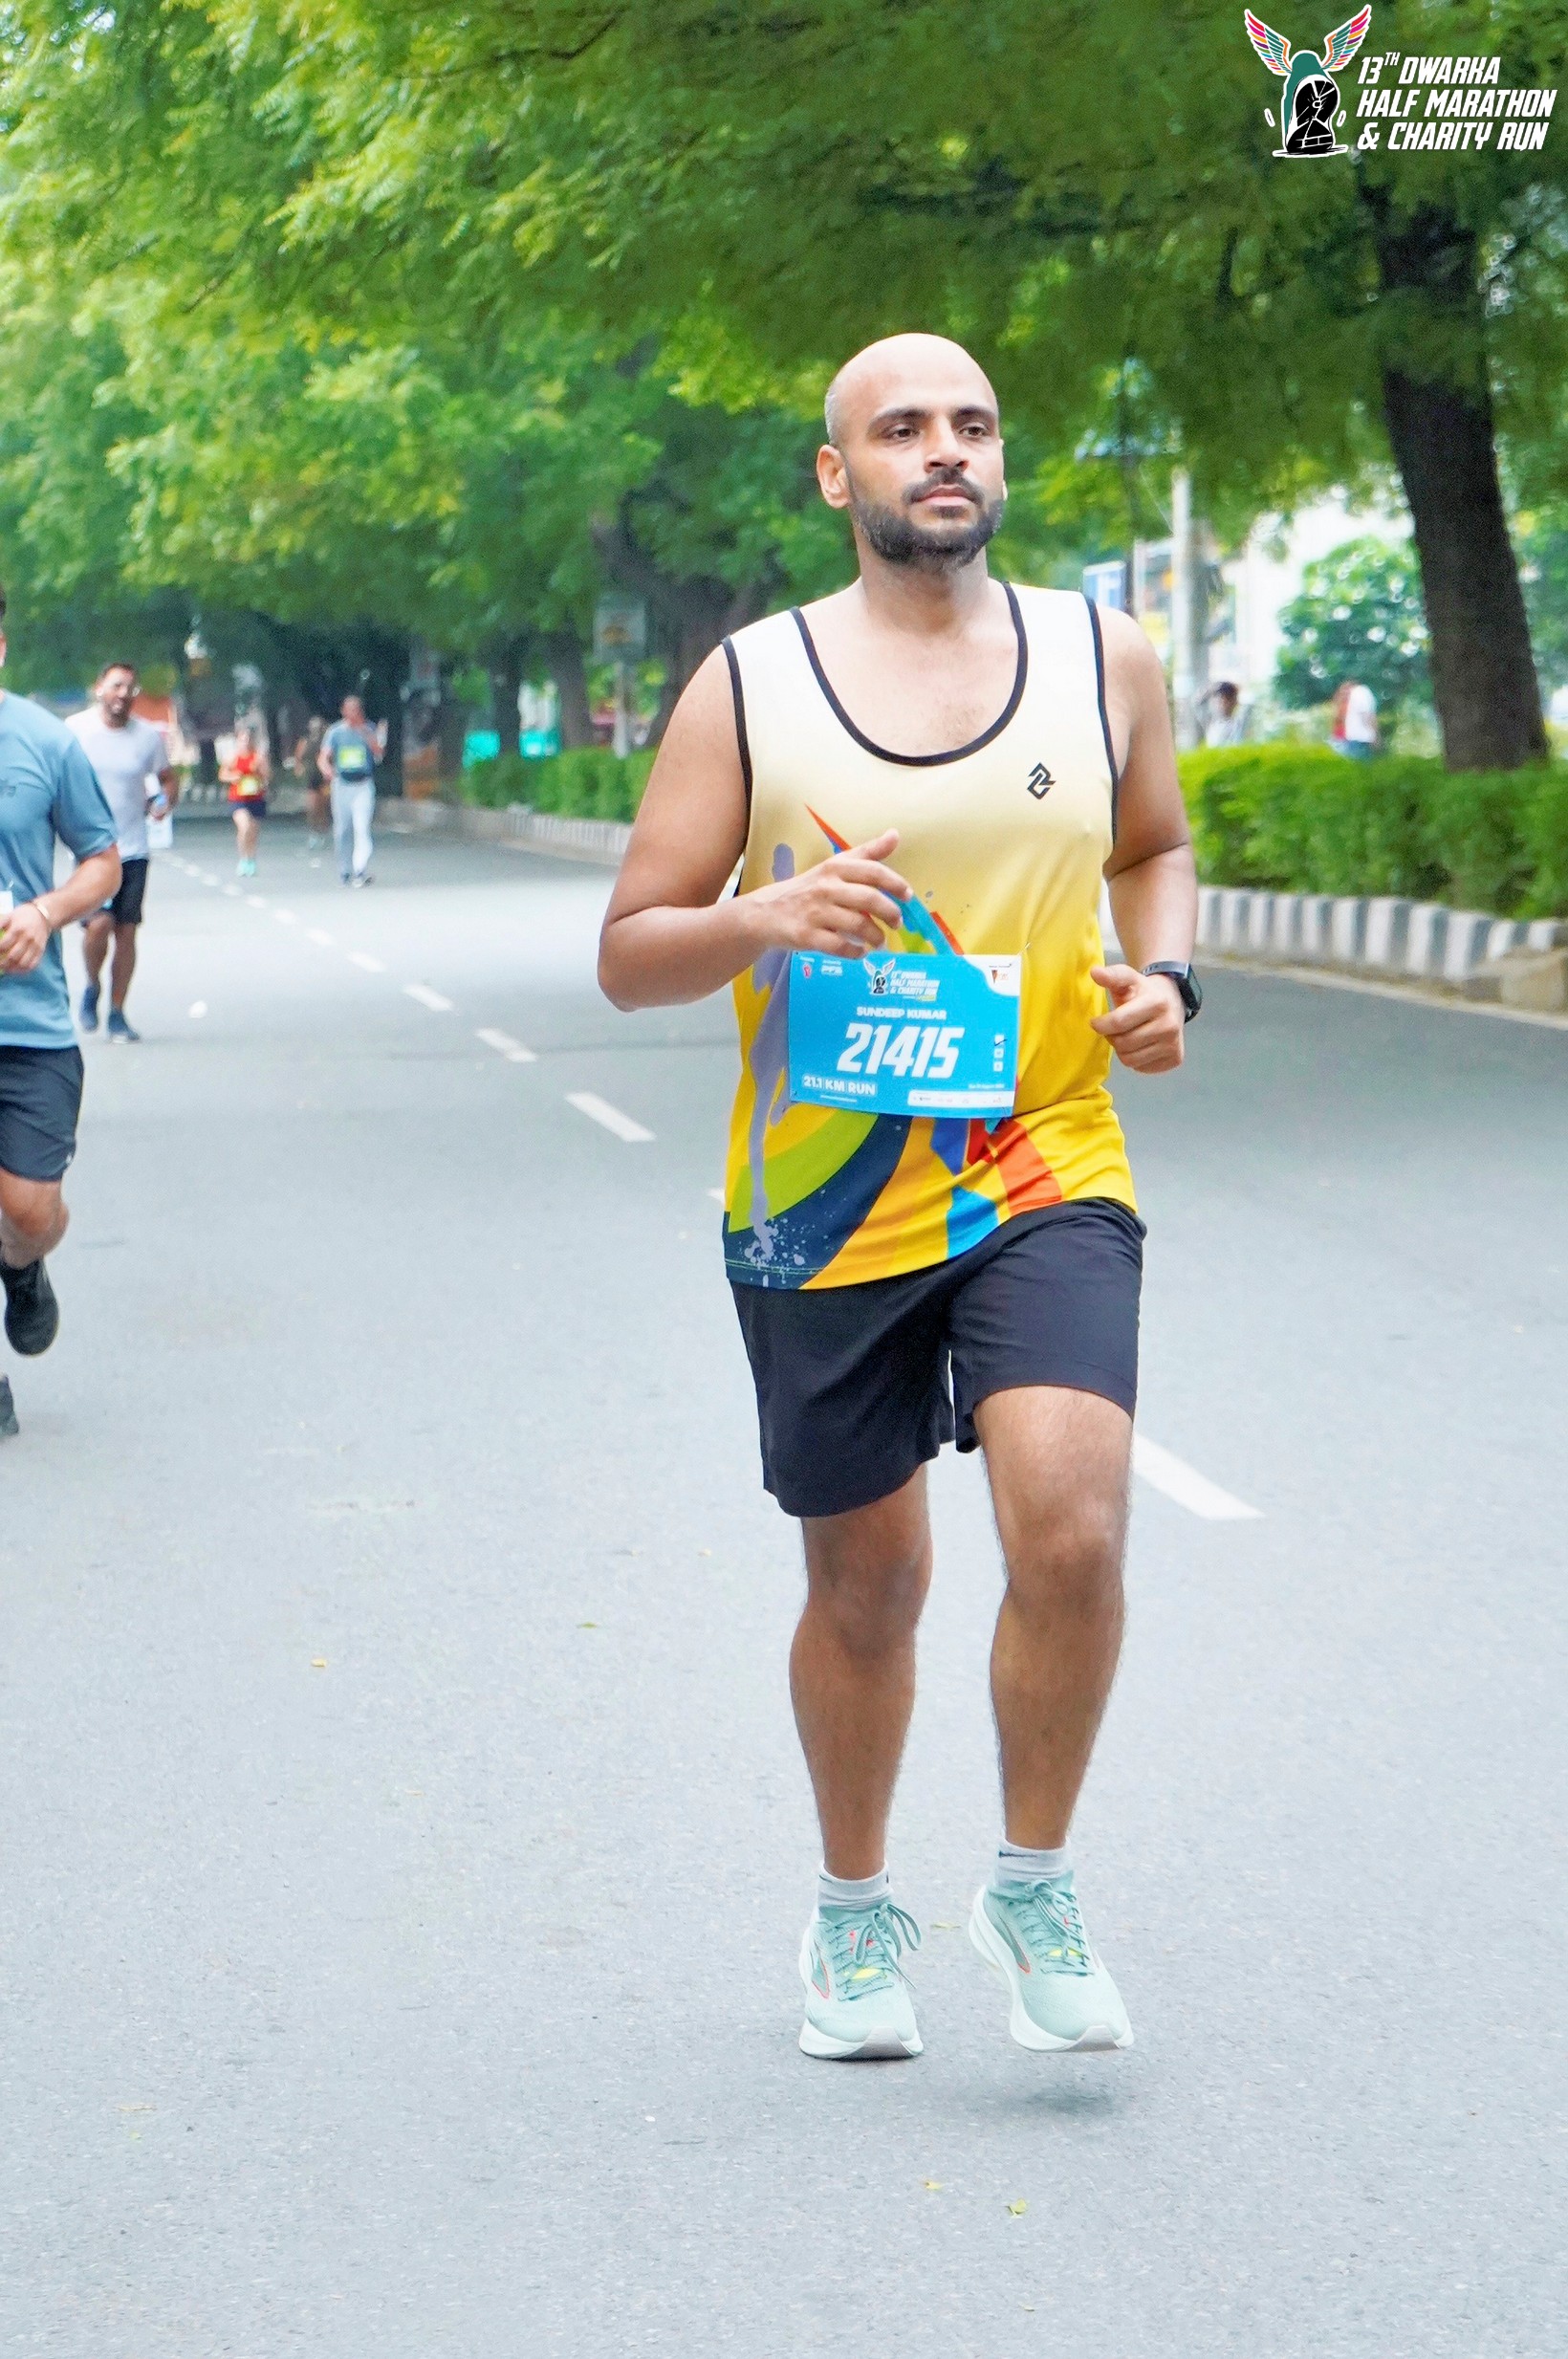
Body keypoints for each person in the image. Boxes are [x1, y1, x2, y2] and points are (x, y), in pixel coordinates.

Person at [599, 334, 1200, 2064]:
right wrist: (759, 920)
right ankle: (854, 1912)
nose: (946, 450)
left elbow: (1154, 848)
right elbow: (632, 951)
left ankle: (1032, 1881)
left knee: (1074, 1525)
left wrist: (1167, 980)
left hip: (1041, 1154)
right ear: (836, 472)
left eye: (973, 425)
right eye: (904, 428)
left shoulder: (1106, 655)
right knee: (868, 1585)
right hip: (824, 1192)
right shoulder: (752, 683)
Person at [0, 584, 122, 1438]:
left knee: (28, 1211)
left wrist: (44, 914)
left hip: (29, 1028)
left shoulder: (44, 741)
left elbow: (102, 860)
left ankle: (23, 1266)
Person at [67, 662, 178, 1042]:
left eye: (129, 688)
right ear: (99, 688)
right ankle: (92, 984)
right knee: (98, 926)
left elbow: (167, 779)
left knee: (126, 932)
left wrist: (164, 802)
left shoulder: (146, 738)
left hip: (133, 849)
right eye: (116, 686)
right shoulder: (75, 731)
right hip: (90, 850)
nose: (123, 694)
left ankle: (117, 1012)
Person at [318, 694, 385, 887]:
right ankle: (345, 870)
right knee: (342, 829)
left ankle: (360, 869)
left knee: (362, 827)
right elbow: (323, 757)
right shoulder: (335, 732)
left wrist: (365, 733)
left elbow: (379, 752)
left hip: (363, 784)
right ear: (343, 711)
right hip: (342, 785)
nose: (353, 713)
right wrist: (327, 769)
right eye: (350, 710)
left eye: (357, 709)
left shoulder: (370, 729)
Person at [223, 724, 270, 877]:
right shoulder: (232, 757)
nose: (245, 743)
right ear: (237, 741)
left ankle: (251, 860)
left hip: (256, 798)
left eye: (248, 739)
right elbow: (223, 774)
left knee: (253, 832)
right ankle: (243, 859)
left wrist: (260, 771)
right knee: (244, 827)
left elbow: (267, 775)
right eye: (242, 740)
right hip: (238, 799)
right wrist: (233, 777)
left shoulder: (258, 757)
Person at [292, 715, 329, 850]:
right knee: (312, 807)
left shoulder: (327, 741)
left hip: (325, 779)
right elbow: (298, 757)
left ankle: (323, 831)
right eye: (313, 726)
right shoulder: (305, 741)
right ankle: (314, 832)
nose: (315, 729)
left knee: (322, 806)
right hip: (311, 777)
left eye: (318, 726)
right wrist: (298, 767)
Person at [1331, 678, 1379, 760]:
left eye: (1347, 689)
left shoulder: (1351, 703)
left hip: (1347, 738)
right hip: (1341, 738)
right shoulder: (1342, 704)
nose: (1345, 692)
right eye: (1343, 690)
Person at [1202, 679, 1244, 747]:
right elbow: (1198, 703)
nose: (1223, 703)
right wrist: (1212, 687)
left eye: (1228, 699)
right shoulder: (1211, 721)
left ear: (1234, 702)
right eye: (1220, 699)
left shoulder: (1238, 725)